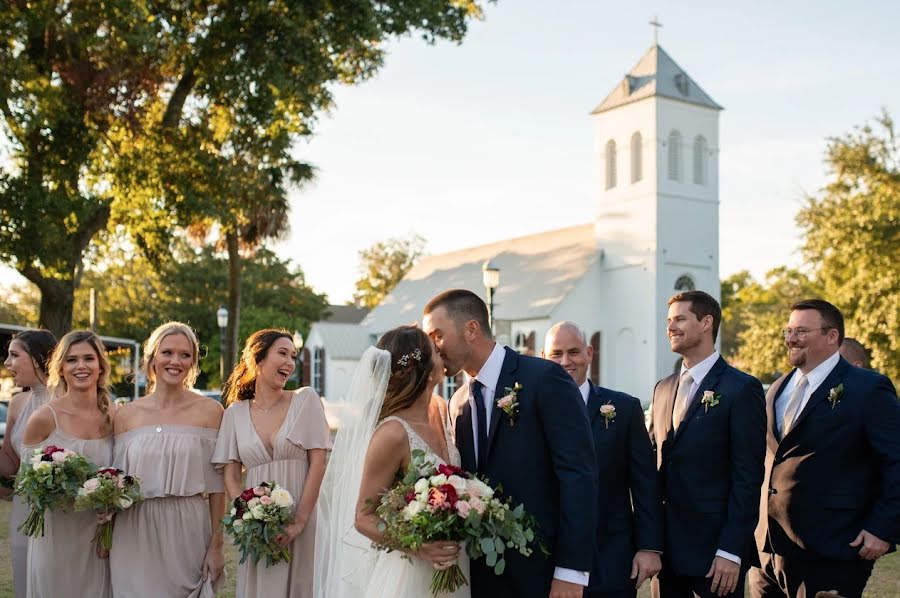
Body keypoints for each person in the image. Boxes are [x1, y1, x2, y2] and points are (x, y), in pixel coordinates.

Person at [423, 290, 598, 598]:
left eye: (438, 335)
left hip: (544, 571)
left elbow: (578, 475)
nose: (433, 347)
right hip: (482, 573)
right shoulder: (458, 403)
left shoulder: (544, 378)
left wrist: (571, 571)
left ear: (472, 329)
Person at [750, 300, 900, 598]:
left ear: (832, 336)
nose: (791, 338)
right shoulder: (777, 388)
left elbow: (896, 461)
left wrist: (883, 528)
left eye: (802, 331)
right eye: (789, 330)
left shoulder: (867, 388)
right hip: (767, 548)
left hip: (832, 547)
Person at [314, 325, 468, 598]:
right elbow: (363, 518)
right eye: (435, 350)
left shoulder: (442, 410)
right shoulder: (392, 433)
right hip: (410, 571)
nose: (442, 352)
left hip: (456, 561)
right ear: (422, 369)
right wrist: (420, 546)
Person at [648, 291, 765, 598]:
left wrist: (730, 550)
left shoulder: (742, 389)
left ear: (706, 323)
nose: (670, 327)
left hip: (715, 554)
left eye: (680, 319)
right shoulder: (663, 388)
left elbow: (748, 478)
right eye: (668, 321)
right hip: (665, 553)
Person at [542, 321, 663, 598]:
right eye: (555, 354)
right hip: (547, 557)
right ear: (542, 357)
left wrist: (649, 547)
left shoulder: (624, 408)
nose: (565, 361)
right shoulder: (527, 412)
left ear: (589, 353)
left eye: (573, 352)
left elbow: (645, 483)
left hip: (611, 555)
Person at [213, 329, 331, 598]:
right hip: (261, 531)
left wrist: (299, 522)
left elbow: (318, 463)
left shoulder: (305, 400)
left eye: (293, 355)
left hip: (304, 520)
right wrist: (249, 516)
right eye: (282, 353)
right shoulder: (234, 414)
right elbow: (231, 477)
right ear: (258, 359)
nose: (290, 362)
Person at [110, 322, 225, 598]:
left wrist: (217, 546)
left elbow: (218, 487)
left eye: (185, 355)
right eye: (167, 353)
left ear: (193, 363)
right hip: (133, 529)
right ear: (152, 358)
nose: (176, 361)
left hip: (188, 527)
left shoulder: (211, 412)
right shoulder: (125, 415)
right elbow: (115, 482)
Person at [22, 330, 115, 598]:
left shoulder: (114, 416)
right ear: (61, 368)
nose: (81, 366)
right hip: (55, 535)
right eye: (72, 360)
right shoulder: (43, 419)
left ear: (100, 366)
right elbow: (26, 484)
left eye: (89, 358)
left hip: (97, 536)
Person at [0, 330, 56, 598]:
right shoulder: (17, 403)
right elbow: (10, 464)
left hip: (65, 509)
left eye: (14, 355)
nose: (7, 363)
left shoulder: (72, 402)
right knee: (24, 577)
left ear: (37, 359)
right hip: (25, 507)